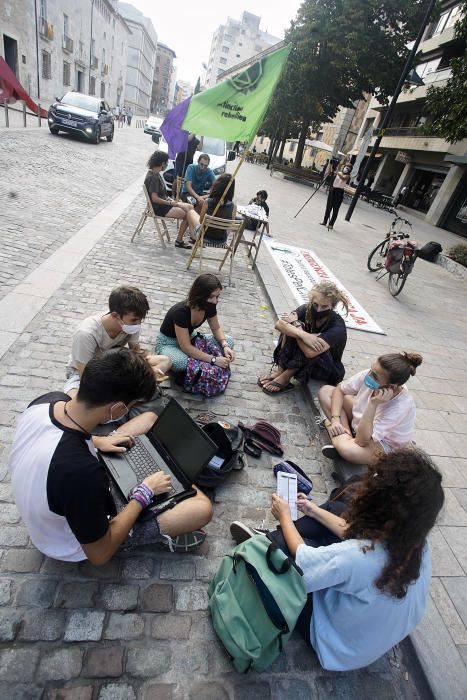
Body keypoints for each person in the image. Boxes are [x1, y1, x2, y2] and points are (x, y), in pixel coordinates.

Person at [229, 447, 444, 671]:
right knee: (336, 508)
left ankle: (268, 542)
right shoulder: (415, 542)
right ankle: (279, 536)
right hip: (365, 637)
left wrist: (285, 518)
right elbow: (353, 532)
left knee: (286, 552)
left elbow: (304, 561)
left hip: (334, 647)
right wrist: (313, 510)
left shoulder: (360, 558)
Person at [8, 348, 213, 563]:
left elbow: (60, 436)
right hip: (71, 543)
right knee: (201, 506)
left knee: (149, 419)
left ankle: (164, 469)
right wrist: (143, 494)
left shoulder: (48, 401)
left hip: (55, 499)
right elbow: (99, 554)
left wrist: (97, 441)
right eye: (132, 405)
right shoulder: (83, 473)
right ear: (116, 410)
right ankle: (169, 490)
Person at [64, 286, 172, 397]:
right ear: (115, 315)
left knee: (165, 361)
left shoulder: (131, 323)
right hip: (85, 372)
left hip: (114, 364)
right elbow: (85, 377)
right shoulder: (86, 334)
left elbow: (135, 352)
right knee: (87, 401)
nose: (138, 324)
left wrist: (147, 371)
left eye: (140, 319)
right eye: (134, 320)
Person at [318, 351, 422, 464]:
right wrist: (335, 420)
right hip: (363, 423)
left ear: (391, 386)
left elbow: (361, 441)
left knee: (348, 450)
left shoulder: (400, 406)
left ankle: (336, 434)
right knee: (326, 391)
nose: (369, 375)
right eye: (371, 369)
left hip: (382, 443)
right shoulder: (372, 373)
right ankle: (344, 434)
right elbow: (339, 390)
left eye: (375, 376)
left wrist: (373, 404)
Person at [258, 282, 348, 395]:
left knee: (299, 333)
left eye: (324, 306)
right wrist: (305, 334)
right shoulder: (306, 309)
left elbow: (310, 352)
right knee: (292, 330)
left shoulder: (337, 326)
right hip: (307, 356)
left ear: (332, 306)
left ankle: (286, 377)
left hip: (326, 368)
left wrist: (297, 327)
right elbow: (280, 324)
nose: (319, 310)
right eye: (316, 304)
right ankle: (280, 370)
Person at [155, 273, 235, 373]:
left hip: (191, 338)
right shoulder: (181, 312)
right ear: (200, 295)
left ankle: (197, 360)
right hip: (169, 343)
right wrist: (213, 359)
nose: (215, 301)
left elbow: (216, 328)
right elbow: (186, 346)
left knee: (229, 341)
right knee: (182, 363)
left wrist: (225, 345)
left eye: (217, 296)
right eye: (211, 297)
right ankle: (196, 360)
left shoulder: (210, 305)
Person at [144, 151, 201, 249]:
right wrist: (171, 203)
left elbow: (162, 196)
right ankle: (190, 236)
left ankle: (195, 234)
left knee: (190, 207)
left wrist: (175, 202)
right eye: (166, 163)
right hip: (159, 208)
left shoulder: (154, 174)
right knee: (188, 214)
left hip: (163, 205)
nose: (166, 165)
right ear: (162, 164)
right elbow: (155, 198)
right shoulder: (153, 177)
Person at [197, 174, 236, 244]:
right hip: (221, 240)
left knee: (190, 212)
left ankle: (189, 240)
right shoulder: (233, 206)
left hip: (205, 237)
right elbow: (230, 226)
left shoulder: (208, 202)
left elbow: (200, 221)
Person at [320, 161, 351, 230]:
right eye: (346, 166)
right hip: (333, 190)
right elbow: (332, 173)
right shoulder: (339, 172)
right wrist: (332, 167)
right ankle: (325, 221)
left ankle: (331, 224)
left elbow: (343, 178)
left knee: (335, 209)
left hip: (339, 192)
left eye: (348, 167)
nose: (346, 168)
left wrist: (337, 172)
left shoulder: (347, 176)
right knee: (328, 207)